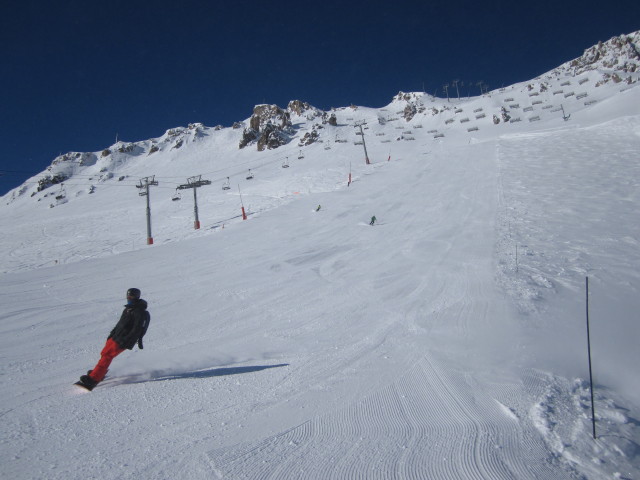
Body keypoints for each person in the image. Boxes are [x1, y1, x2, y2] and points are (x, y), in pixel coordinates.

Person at [76, 288, 149, 390]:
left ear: (137, 297)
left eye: (131, 296)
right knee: (104, 354)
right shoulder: (128, 309)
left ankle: (93, 379)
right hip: (116, 337)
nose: (129, 298)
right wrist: (111, 335)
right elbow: (120, 324)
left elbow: (136, 329)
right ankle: (98, 373)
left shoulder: (138, 311)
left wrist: (126, 340)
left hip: (123, 339)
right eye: (128, 296)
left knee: (107, 356)